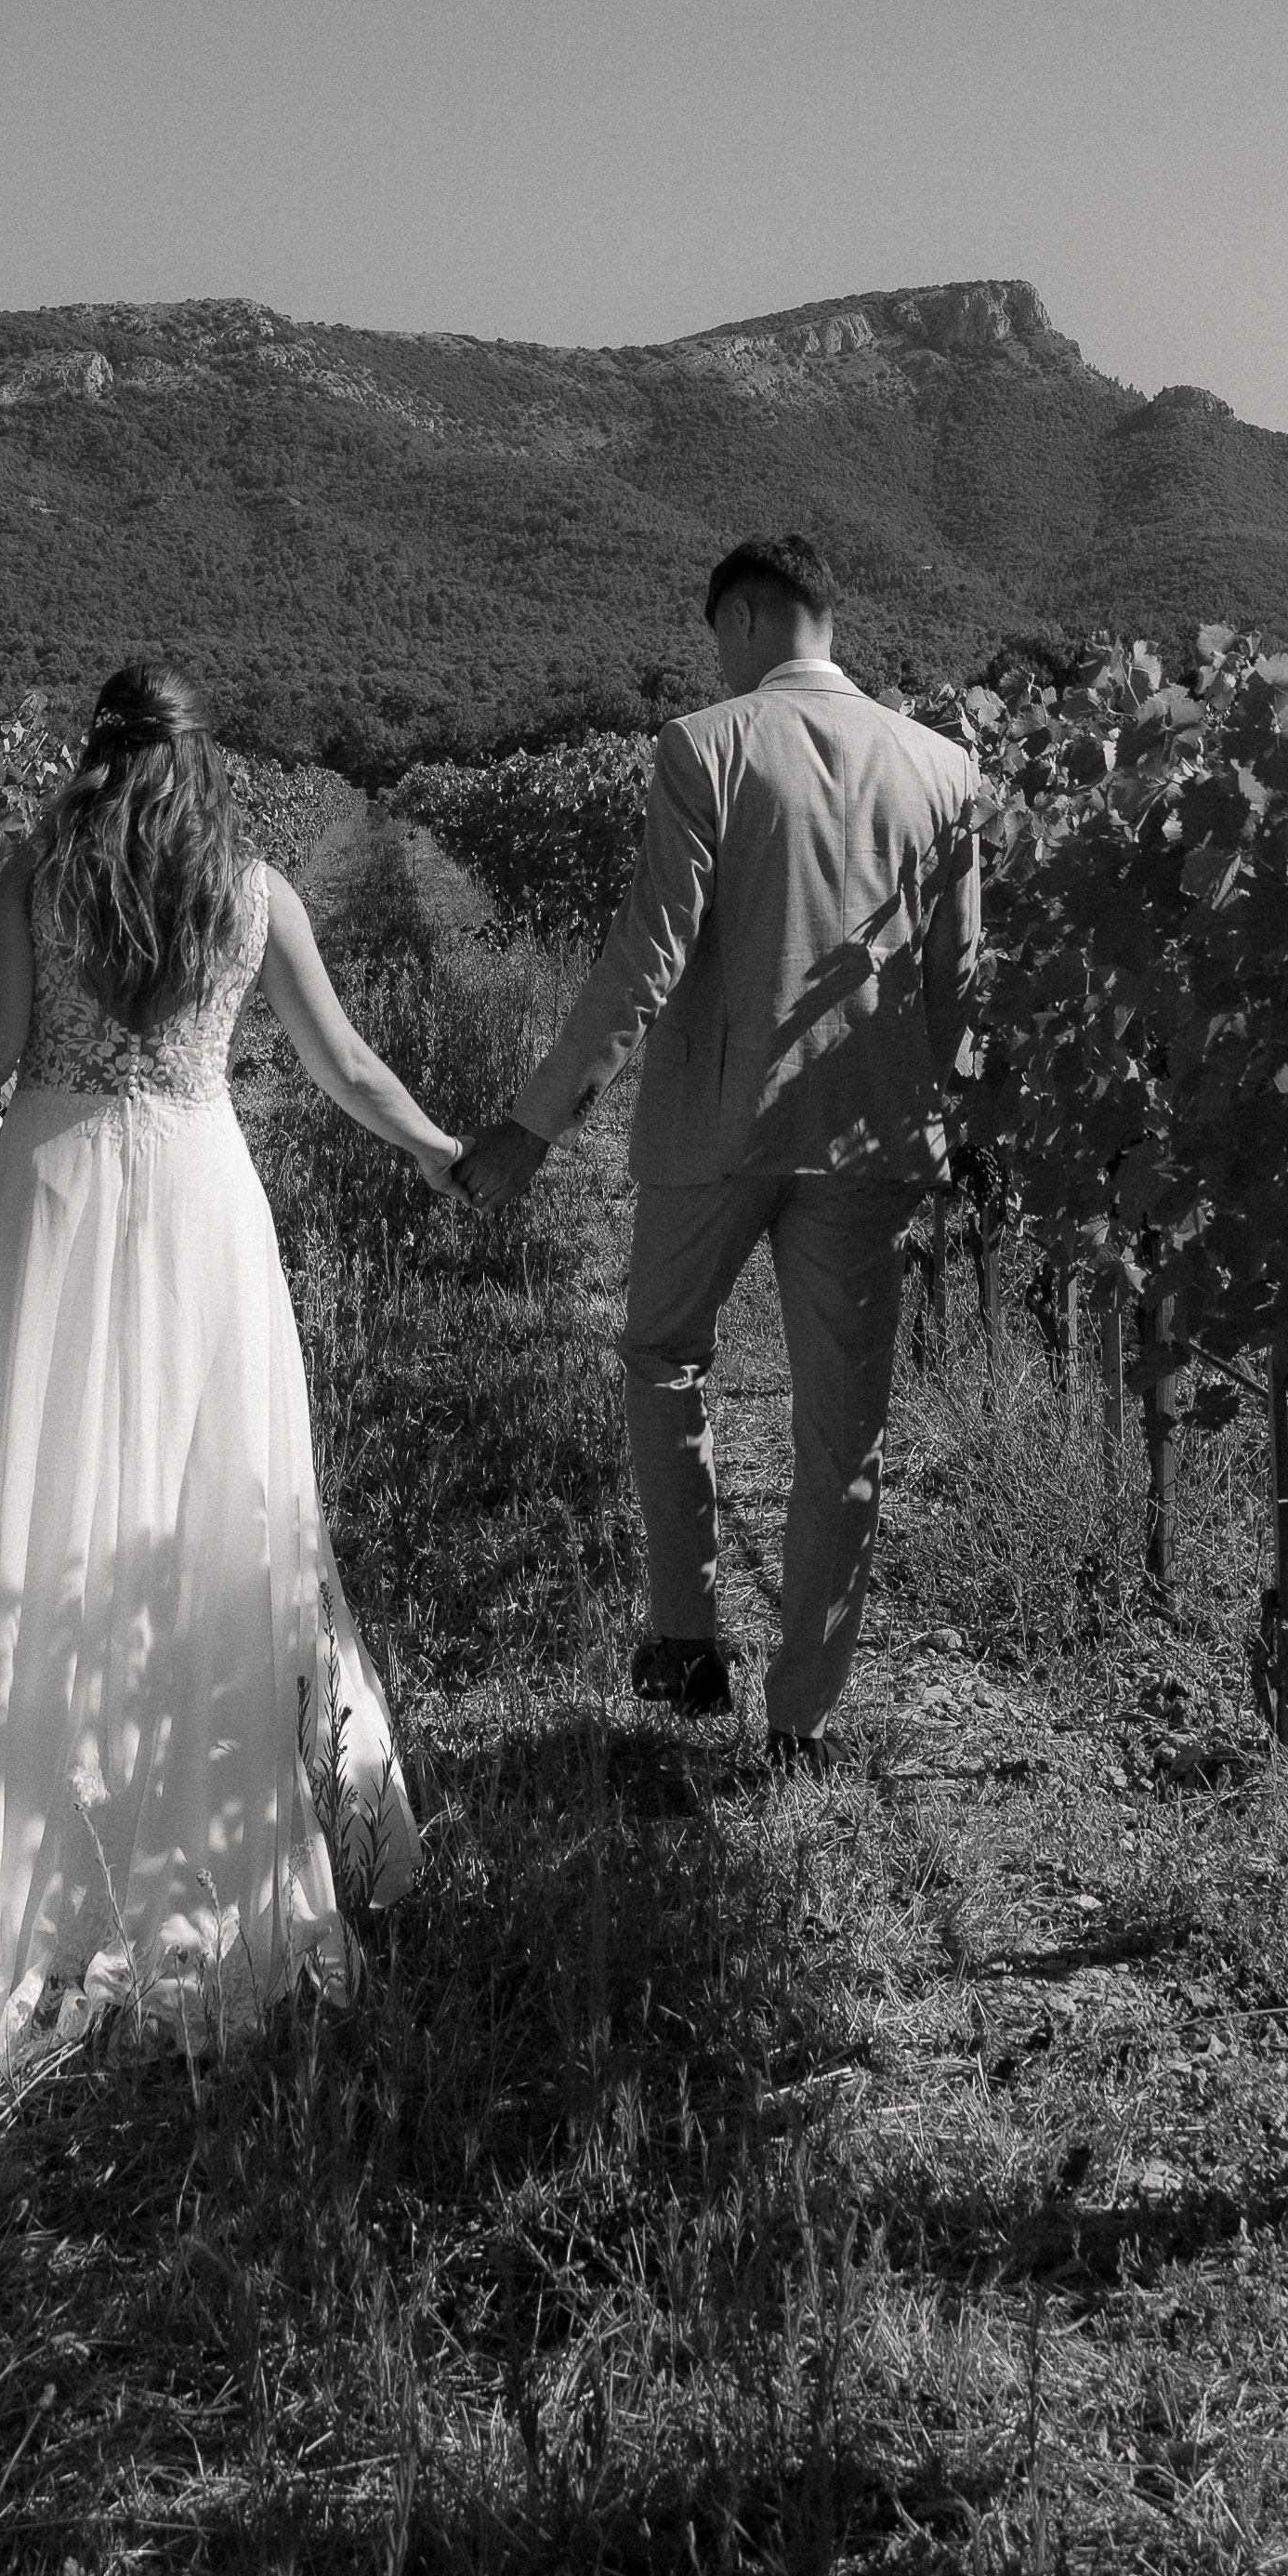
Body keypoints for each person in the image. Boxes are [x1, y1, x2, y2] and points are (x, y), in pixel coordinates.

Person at [0, 661, 451, 2087]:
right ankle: (202, 1818)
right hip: (198, 1196)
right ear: (204, 762)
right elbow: (346, 1066)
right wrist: (450, 1153)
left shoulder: (36, 876)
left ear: (95, 752)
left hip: (55, 1193)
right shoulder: (255, 893)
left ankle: (31, 1841)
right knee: (213, 1510)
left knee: (36, 1499)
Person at [455, 533, 981, 1766]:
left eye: (718, 641)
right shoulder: (946, 769)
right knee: (842, 1435)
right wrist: (953, 1129)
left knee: (661, 1357)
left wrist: (535, 1122)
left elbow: (646, 963)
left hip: (714, 1128)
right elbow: (961, 985)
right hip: (869, 1136)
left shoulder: (706, 746)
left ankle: (688, 1639)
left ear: (744, 619)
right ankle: (802, 1721)